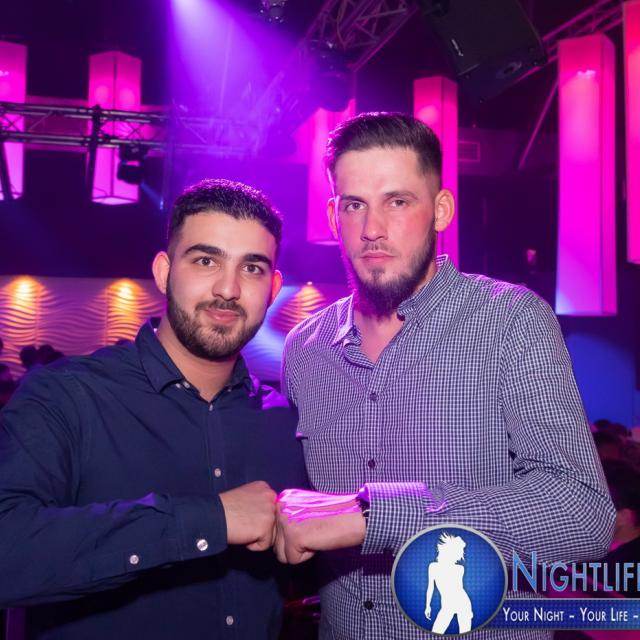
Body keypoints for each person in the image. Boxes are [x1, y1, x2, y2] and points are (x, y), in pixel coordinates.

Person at [276, 113, 615, 638]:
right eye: (354, 205)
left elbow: (582, 512)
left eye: (397, 201)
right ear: (333, 216)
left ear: (440, 210)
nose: (372, 229)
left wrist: (375, 516)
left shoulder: (510, 321)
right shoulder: (304, 349)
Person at [0, 179, 307, 639]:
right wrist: (210, 520)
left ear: (273, 287)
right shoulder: (68, 395)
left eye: (252, 268)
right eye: (206, 260)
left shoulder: (284, 421)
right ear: (164, 272)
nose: (228, 288)